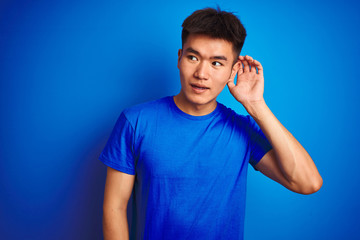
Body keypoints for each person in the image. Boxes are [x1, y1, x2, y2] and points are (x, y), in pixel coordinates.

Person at [99, 7, 323, 240]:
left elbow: (308, 182)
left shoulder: (242, 129)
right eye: (193, 57)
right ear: (179, 57)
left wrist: (256, 105)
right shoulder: (135, 122)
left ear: (232, 71)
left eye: (217, 63)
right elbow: (114, 207)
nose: (201, 73)